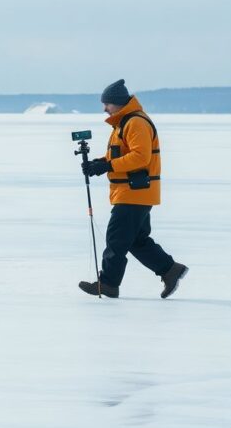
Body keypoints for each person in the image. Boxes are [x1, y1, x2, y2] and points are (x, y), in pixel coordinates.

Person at [78, 79, 188, 299]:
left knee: (116, 239)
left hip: (135, 192)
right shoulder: (123, 124)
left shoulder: (135, 123)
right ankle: (170, 269)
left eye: (107, 104)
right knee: (136, 241)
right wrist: (99, 163)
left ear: (118, 103)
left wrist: (107, 165)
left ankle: (108, 284)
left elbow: (140, 157)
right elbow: (120, 155)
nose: (104, 109)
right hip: (133, 192)